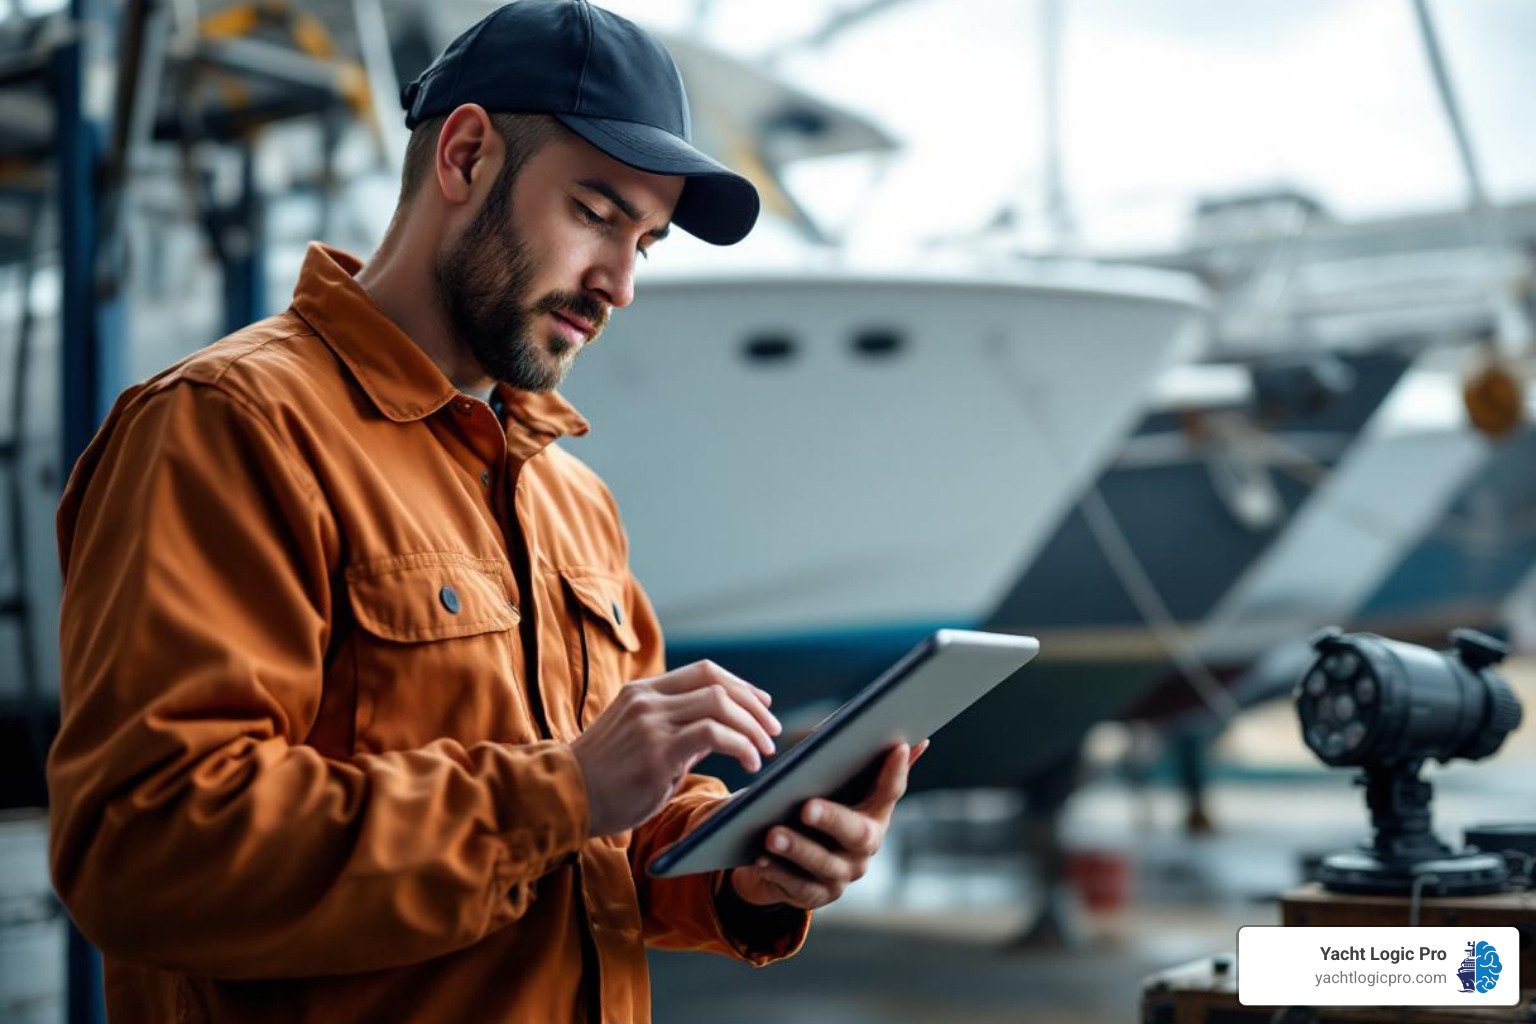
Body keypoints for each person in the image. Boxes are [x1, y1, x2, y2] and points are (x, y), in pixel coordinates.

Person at [45, 2, 926, 1022]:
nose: (620, 285)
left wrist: (745, 869)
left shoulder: (573, 500)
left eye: (645, 244)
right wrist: (563, 791)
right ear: (464, 155)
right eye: (596, 213)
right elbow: (147, 851)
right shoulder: (230, 426)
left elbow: (597, 847)